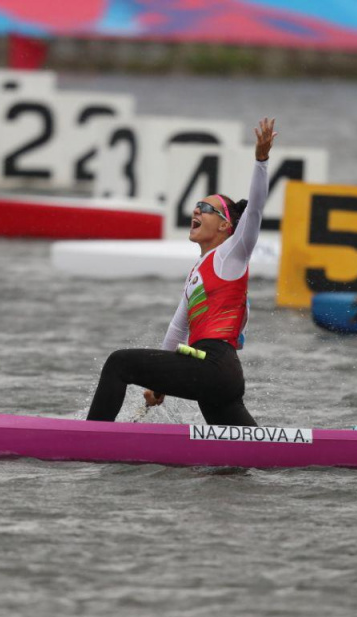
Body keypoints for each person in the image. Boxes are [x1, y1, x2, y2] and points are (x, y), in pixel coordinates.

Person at [86, 118, 278, 426]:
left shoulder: (233, 252)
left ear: (227, 226)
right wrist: (157, 386)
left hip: (214, 366)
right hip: (214, 374)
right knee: (245, 455)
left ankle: (89, 439)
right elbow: (177, 331)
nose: (196, 211)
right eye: (196, 206)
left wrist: (261, 161)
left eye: (206, 208)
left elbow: (254, 210)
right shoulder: (197, 273)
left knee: (118, 363)